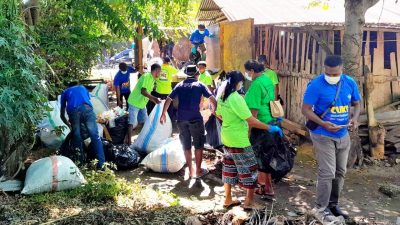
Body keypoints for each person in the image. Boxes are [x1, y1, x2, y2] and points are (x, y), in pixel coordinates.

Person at [302, 55, 361, 223]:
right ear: (324, 70)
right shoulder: (316, 85)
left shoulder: (349, 82)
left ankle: (333, 205)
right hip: (322, 134)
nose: (332, 77)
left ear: (342, 70)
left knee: (340, 172)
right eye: (329, 73)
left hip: (343, 135)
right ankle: (321, 207)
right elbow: (305, 110)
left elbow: (357, 103)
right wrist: (323, 123)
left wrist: (355, 119)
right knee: (327, 172)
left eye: (335, 74)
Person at [216, 71, 283, 210]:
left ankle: (227, 199)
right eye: (241, 82)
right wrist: (269, 127)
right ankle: (249, 202)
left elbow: (218, 114)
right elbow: (251, 120)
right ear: (238, 82)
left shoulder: (222, 96)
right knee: (251, 169)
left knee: (229, 168)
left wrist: (232, 121)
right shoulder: (236, 98)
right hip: (239, 140)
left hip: (227, 137)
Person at [160, 65, 217, 179]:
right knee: (198, 145)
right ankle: (198, 171)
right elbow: (212, 98)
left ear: (186, 74)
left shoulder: (180, 85)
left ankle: (190, 171)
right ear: (197, 74)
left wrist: (163, 114)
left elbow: (169, 99)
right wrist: (214, 111)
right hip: (195, 119)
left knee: (186, 145)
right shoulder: (200, 84)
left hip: (181, 119)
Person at [244, 60, 277, 199]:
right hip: (271, 120)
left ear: (251, 70)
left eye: (247, 71)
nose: (246, 74)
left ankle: (263, 186)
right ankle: (268, 188)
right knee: (267, 156)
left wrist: (248, 132)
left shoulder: (256, 85)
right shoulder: (267, 79)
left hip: (261, 124)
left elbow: (253, 114)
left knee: (260, 158)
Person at [60, 81, 105, 168]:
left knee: (77, 137)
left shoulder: (65, 92)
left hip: (74, 112)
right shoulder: (82, 88)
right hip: (88, 110)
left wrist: (69, 126)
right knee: (95, 137)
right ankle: (102, 165)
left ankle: (80, 164)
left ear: (68, 87)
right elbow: (86, 103)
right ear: (77, 85)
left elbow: (62, 115)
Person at [127, 64, 162, 145]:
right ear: (156, 70)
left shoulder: (152, 79)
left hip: (142, 104)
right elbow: (143, 91)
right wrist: (154, 99)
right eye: (159, 72)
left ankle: (143, 140)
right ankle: (129, 143)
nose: (159, 74)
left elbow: (147, 92)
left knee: (145, 122)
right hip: (134, 102)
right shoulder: (147, 76)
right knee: (132, 123)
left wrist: (154, 100)